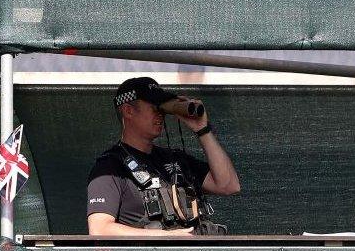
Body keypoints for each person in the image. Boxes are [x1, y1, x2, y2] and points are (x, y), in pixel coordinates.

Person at [86, 77, 240, 236]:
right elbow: (100, 230)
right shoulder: (110, 167)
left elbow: (228, 186)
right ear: (128, 111)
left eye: (163, 108)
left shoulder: (176, 160)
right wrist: (168, 238)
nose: (160, 114)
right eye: (154, 107)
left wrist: (202, 130)